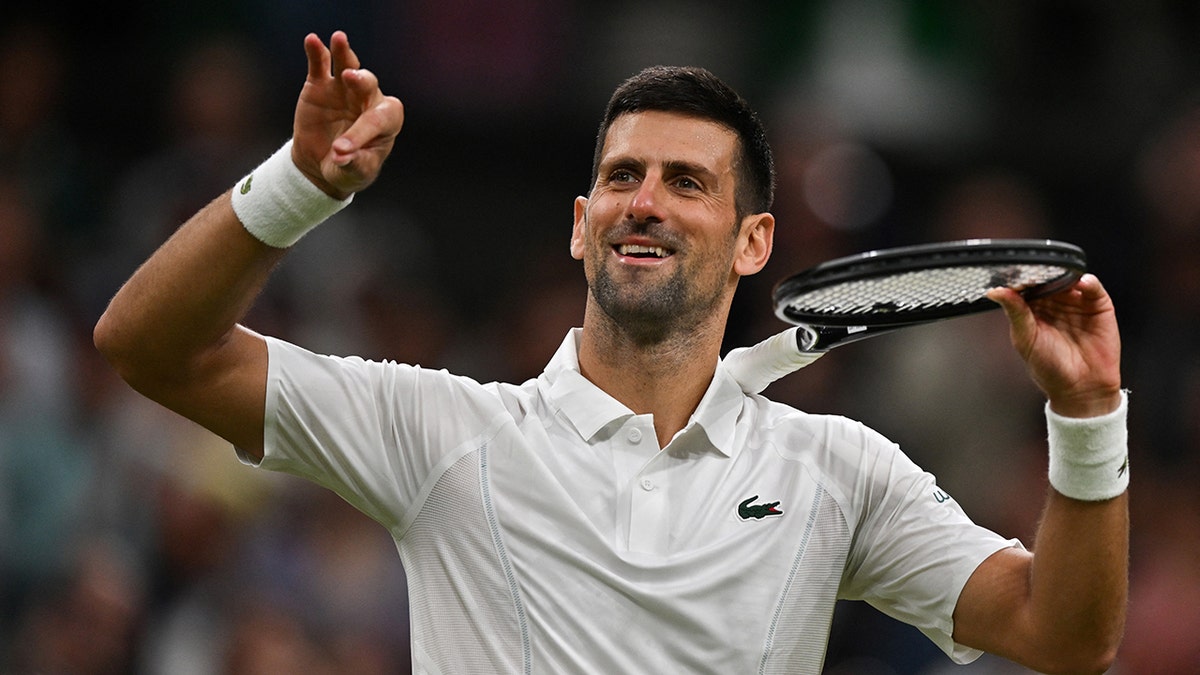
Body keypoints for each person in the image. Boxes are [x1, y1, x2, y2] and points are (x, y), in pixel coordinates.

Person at [95, 32, 1128, 674]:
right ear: (582, 223)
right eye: (624, 178)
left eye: (686, 182)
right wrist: (299, 186)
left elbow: (1065, 635)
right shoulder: (442, 432)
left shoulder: (838, 471)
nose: (646, 201)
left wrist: (1087, 422)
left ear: (754, 241)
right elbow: (149, 348)